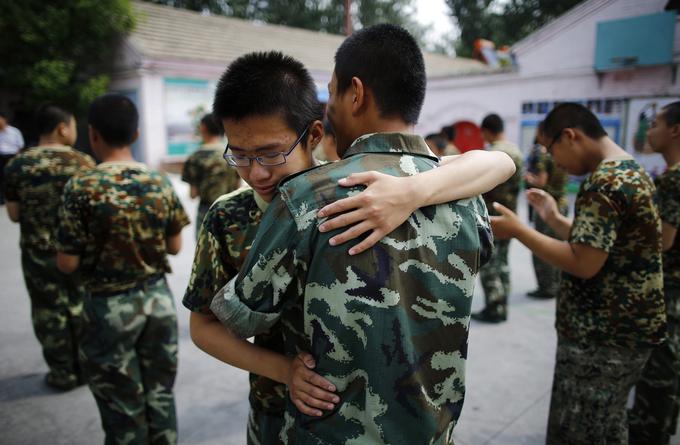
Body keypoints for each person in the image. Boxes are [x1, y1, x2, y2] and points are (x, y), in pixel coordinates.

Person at [185, 50, 516, 445]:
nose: (256, 172)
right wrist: (284, 369)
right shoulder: (227, 216)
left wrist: (411, 191)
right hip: (281, 410)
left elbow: (492, 163)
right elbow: (205, 326)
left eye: (271, 154)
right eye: (239, 155)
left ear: (313, 136)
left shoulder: (362, 189)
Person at [490, 102, 667, 444]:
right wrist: (555, 218)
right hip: (624, 330)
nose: (555, 161)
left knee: (584, 430)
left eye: (552, 149)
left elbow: (584, 262)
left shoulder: (604, 182)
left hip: (603, 336)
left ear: (570, 136)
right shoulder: (628, 170)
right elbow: (601, 242)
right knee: (605, 424)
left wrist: (518, 230)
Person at [56, 94, 190, 444]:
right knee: (160, 394)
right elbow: (174, 247)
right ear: (136, 135)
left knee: (120, 405)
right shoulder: (160, 182)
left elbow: (66, 262)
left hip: (107, 309)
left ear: (93, 135)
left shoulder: (81, 186)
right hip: (157, 303)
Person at [4, 104, 94, 390]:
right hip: (79, 252)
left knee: (48, 311)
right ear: (62, 128)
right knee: (80, 306)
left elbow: (14, 214)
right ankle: (85, 368)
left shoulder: (17, 165)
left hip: (37, 253)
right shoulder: (84, 164)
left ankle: (61, 373)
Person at [629, 101, 680, 444]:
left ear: (675, 130)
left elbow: (662, 241)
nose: (650, 131)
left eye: (656, 124)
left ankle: (651, 431)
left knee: (660, 370)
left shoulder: (674, 179)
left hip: (668, 290)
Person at [472, 113, 524, 323]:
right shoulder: (516, 150)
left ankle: (494, 307)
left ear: (487, 131)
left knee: (490, 265)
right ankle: (502, 304)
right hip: (510, 215)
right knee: (503, 263)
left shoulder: (493, 153)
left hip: (492, 218)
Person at [524, 123, 568, 300]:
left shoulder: (541, 153)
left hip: (546, 205)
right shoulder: (561, 151)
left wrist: (528, 178)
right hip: (561, 203)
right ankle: (556, 284)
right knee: (558, 245)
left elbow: (541, 181)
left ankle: (547, 287)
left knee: (543, 247)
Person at [181, 112, 240, 237]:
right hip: (232, 210)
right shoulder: (232, 155)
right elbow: (237, 186)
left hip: (206, 212)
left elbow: (193, 194)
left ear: (203, 128)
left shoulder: (195, 157)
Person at [0, 111, 24, 205]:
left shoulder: (14, 131)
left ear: (4, 119)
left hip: (12, 155)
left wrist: (17, 159)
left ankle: (16, 197)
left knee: (13, 177)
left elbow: (20, 146)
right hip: (0, 156)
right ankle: (1, 197)